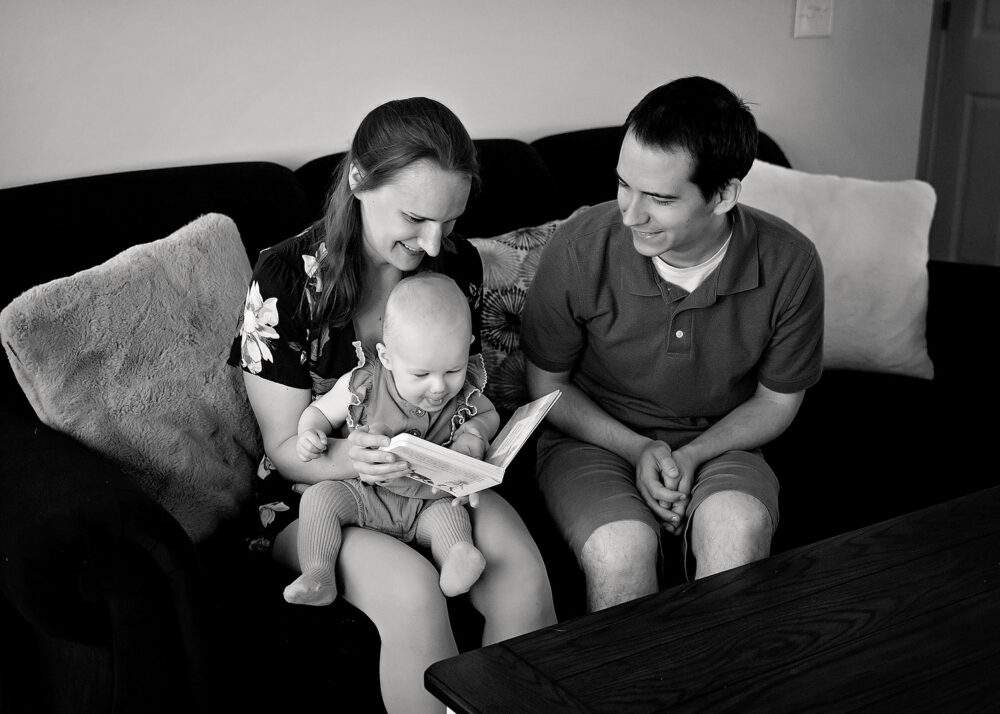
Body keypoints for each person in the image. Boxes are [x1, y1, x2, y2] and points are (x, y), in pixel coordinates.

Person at [231, 96, 555, 714]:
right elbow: (284, 450)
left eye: (450, 220)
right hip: (319, 497)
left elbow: (463, 393)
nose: (434, 243)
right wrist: (355, 459)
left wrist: (471, 446)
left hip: (432, 489)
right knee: (411, 592)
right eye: (414, 217)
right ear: (359, 179)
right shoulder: (283, 280)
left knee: (518, 568)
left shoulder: (455, 265)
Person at [520, 76, 824, 612]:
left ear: (724, 194)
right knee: (620, 550)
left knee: (738, 530)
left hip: (722, 440)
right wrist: (637, 448)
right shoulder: (578, 248)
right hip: (592, 439)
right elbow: (547, 386)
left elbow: (776, 401)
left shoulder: (790, 264)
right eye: (623, 184)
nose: (631, 214)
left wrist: (694, 453)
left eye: (659, 198)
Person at [286, 272, 499, 607]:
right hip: (363, 492)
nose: (439, 387)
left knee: (453, 516)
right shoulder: (364, 383)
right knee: (318, 499)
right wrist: (309, 434)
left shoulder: (462, 395)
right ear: (387, 357)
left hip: (428, 500)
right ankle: (318, 573)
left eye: (453, 370)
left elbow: (489, 414)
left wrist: (475, 432)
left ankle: (458, 559)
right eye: (421, 374)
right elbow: (321, 413)